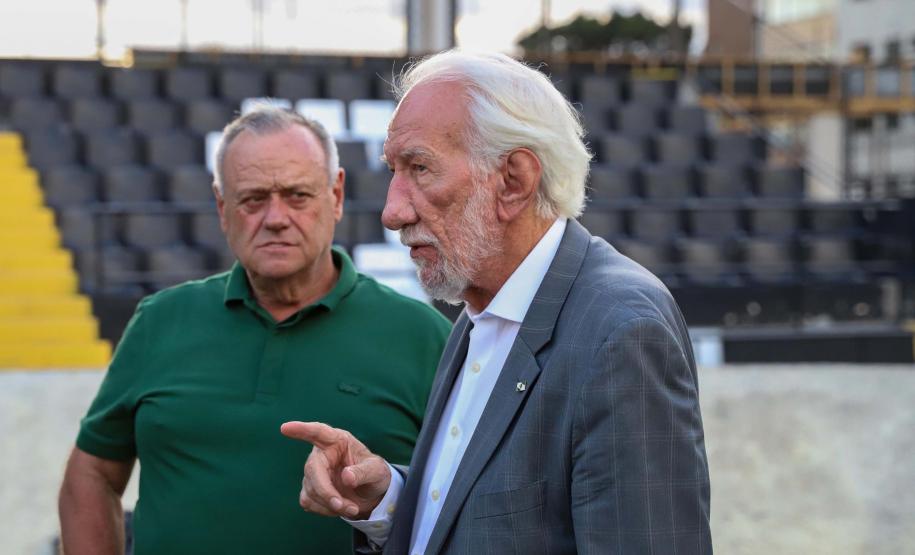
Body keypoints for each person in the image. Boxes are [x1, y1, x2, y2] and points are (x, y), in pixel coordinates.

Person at [281, 50, 712, 554]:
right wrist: (391, 501)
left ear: (514, 182)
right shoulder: (482, 308)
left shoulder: (621, 331)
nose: (392, 212)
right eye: (395, 172)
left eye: (420, 168)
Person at [58, 107, 452, 554]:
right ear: (223, 208)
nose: (276, 217)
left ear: (336, 194)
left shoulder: (424, 336)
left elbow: (465, 501)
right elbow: (91, 472)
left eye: (298, 195)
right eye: (253, 199)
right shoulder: (160, 320)